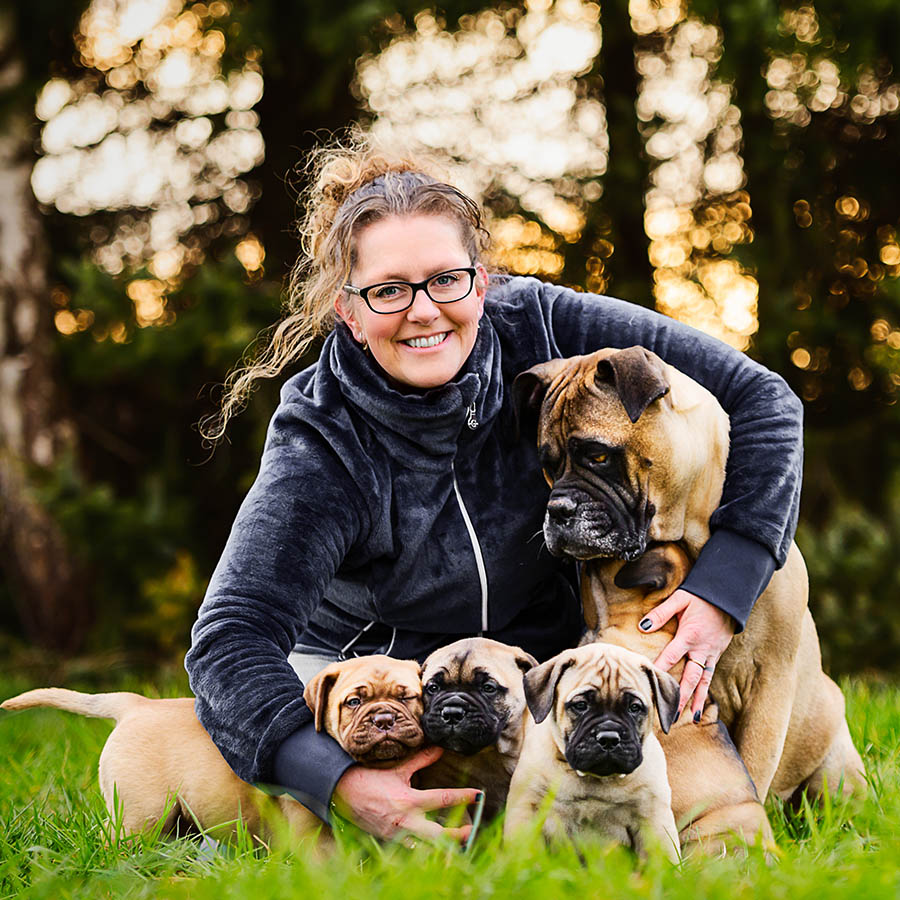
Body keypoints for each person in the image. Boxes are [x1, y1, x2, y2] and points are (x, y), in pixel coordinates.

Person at [185, 136, 803, 844]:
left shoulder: (543, 323)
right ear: (346, 310)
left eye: (446, 279)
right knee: (343, 833)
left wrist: (725, 589)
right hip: (386, 681)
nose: (424, 311)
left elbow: (763, 399)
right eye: (388, 290)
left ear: (482, 280)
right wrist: (339, 781)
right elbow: (230, 638)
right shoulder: (322, 439)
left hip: (541, 676)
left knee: (698, 827)